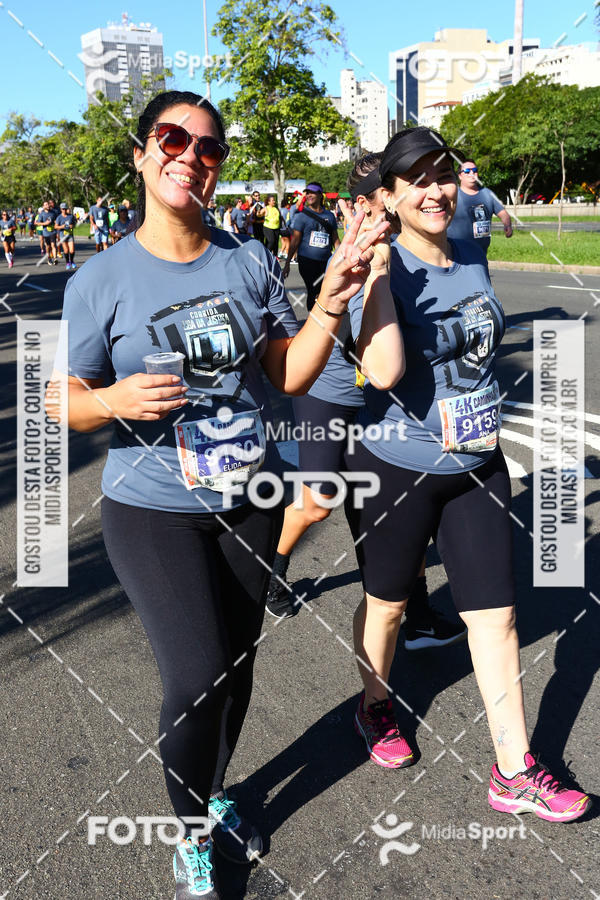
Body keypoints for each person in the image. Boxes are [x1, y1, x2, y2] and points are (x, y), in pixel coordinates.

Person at [51, 89, 388, 899]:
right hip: (150, 507)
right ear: (140, 154)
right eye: (172, 138)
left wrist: (334, 301)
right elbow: (59, 396)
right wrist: (109, 402)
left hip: (248, 498)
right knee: (197, 672)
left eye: (209, 148)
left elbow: (286, 370)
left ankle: (213, 790)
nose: (190, 156)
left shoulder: (246, 261)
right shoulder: (100, 279)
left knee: (236, 673)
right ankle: (190, 829)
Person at [341, 126, 590, 822]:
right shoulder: (379, 269)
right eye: (415, 179)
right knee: (388, 606)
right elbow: (385, 372)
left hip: (479, 463)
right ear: (388, 197)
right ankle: (375, 705)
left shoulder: (473, 250)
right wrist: (378, 276)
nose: (435, 189)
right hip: (396, 466)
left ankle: (513, 768)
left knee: (498, 616)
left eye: (442, 174)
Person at [266, 153, 466, 652]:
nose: (409, 199)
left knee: (401, 506)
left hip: (379, 397)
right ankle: (272, 573)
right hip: (330, 396)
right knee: (319, 502)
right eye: (393, 192)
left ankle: (416, 614)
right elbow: (372, 352)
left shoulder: (413, 247)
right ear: (366, 203)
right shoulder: (363, 256)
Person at [282, 182, 340, 310]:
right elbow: (295, 241)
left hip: (325, 260)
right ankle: (313, 317)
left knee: (322, 289)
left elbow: (335, 239)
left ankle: (318, 314)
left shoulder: (329, 216)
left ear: (320, 195)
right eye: (307, 193)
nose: (309, 195)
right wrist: (287, 264)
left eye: (312, 192)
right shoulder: (301, 216)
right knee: (313, 288)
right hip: (307, 260)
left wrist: (342, 257)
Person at [448, 159, 513, 252]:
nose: (471, 173)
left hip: (481, 253)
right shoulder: (453, 195)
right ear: (460, 176)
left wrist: (508, 225)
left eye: (474, 170)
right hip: (456, 254)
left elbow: (503, 213)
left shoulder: (488, 194)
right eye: (467, 171)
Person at [55, 202, 77, 270]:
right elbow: (55, 227)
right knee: (66, 251)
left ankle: (72, 261)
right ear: (61, 209)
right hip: (63, 235)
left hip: (70, 235)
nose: (64, 210)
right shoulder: (59, 217)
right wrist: (62, 226)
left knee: (72, 250)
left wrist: (72, 226)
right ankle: (67, 262)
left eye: (65, 209)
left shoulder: (70, 216)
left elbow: (74, 224)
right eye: (63, 209)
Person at [38, 200, 58, 265]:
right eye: (46, 205)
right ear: (43, 206)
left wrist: (56, 224)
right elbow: (37, 223)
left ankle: (55, 258)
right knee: (48, 246)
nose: (48, 205)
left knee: (53, 245)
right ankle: (49, 258)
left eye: (48, 204)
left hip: (53, 231)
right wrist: (45, 223)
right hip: (46, 232)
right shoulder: (42, 214)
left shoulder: (53, 212)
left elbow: (56, 220)